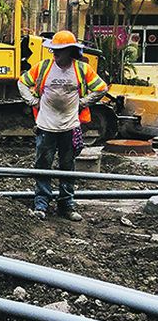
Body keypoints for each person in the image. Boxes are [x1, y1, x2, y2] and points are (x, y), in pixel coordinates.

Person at [18, 29, 108, 221]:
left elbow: (101, 87)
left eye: (59, 50)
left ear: (70, 51)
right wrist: (32, 102)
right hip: (46, 126)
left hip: (69, 126)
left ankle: (66, 205)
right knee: (43, 165)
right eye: (54, 50)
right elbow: (22, 82)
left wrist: (83, 103)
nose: (55, 53)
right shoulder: (43, 67)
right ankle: (41, 204)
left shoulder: (81, 69)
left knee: (67, 167)